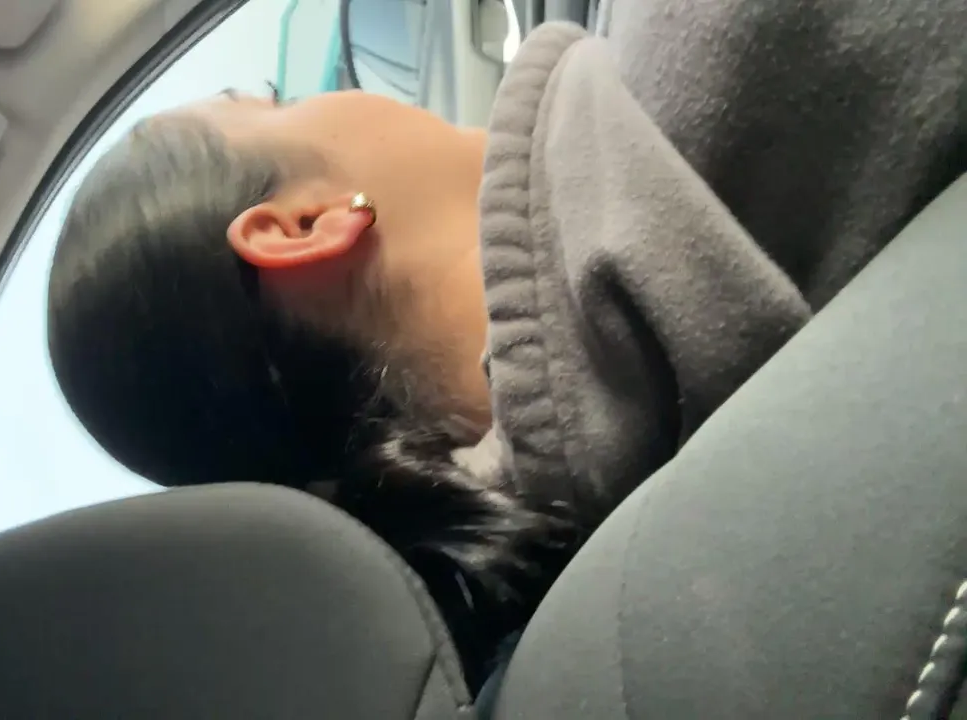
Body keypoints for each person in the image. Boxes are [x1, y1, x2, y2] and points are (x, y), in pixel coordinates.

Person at [48, 9, 967, 691]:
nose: (341, 95)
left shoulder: (580, 600)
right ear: (303, 225)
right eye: (280, 103)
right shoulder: (712, 45)